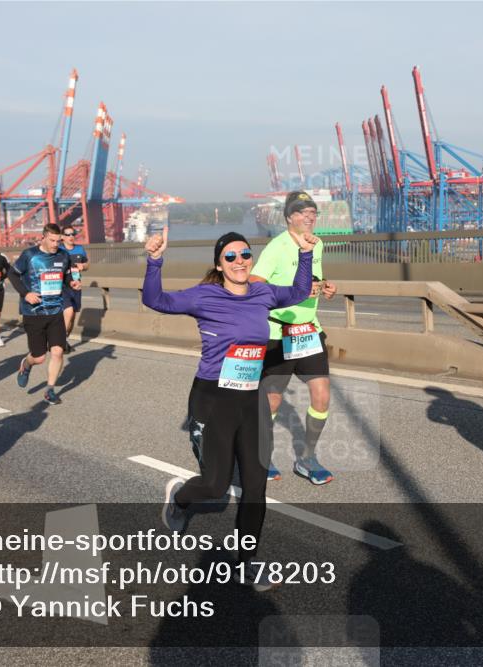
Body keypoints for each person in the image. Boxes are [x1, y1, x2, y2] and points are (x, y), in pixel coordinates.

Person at [144, 227, 316, 591]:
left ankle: (246, 564)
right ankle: (180, 498)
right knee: (215, 485)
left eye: (245, 254)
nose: (240, 261)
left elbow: (300, 292)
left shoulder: (262, 293)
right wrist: (155, 260)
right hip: (213, 399)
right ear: (219, 265)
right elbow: (155, 300)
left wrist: (305, 254)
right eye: (231, 257)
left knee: (255, 487)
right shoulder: (204, 296)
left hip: (251, 399)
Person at [250, 191, 338, 484]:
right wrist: (290, 293)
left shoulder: (318, 243)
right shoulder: (276, 247)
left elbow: (313, 279)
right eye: (302, 212)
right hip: (279, 332)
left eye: (312, 212)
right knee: (273, 401)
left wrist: (325, 287)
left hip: (309, 331)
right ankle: (261, 456)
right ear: (289, 217)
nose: (309, 217)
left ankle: (307, 459)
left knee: (322, 396)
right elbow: (255, 284)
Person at [8, 223, 80, 405]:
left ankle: (50, 390)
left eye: (58, 241)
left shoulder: (63, 255)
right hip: (34, 312)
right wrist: (26, 294)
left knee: (57, 351)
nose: (56, 244)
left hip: (55, 310)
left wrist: (71, 282)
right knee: (39, 357)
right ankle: (26, 364)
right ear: (43, 238)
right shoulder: (29, 255)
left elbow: (66, 276)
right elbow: (12, 274)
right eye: (52, 240)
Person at [60, 224, 89, 353]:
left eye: (73, 234)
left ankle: (64, 340)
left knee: (72, 318)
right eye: (68, 234)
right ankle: (60, 342)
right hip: (62, 286)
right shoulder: (59, 250)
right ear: (62, 237)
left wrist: (84, 266)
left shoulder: (80, 249)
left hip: (76, 286)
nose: (71, 236)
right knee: (69, 311)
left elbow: (87, 264)